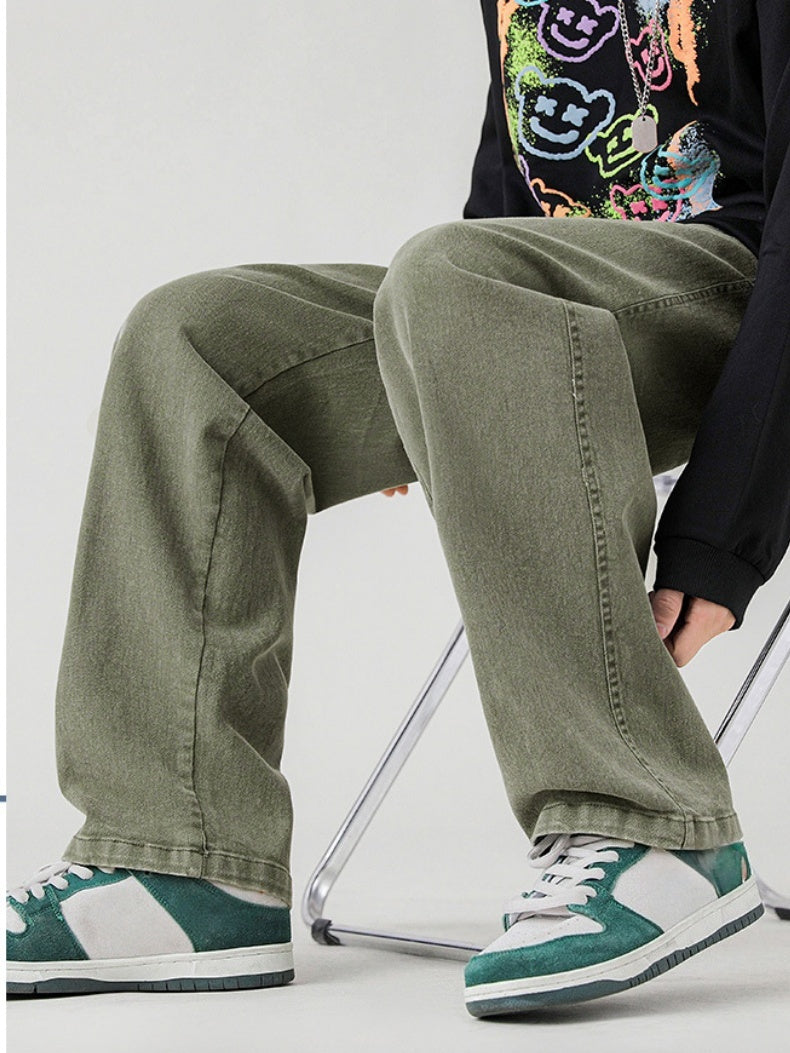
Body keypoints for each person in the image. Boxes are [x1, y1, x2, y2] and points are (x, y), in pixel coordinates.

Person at [7, 0, 789, 1017]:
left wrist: (723, 535)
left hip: (737, 295)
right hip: (533, 299)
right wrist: (434, 358)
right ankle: (181, 860)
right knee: (192, 335)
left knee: (454, 274)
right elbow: (510, 180)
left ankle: (652, 825)